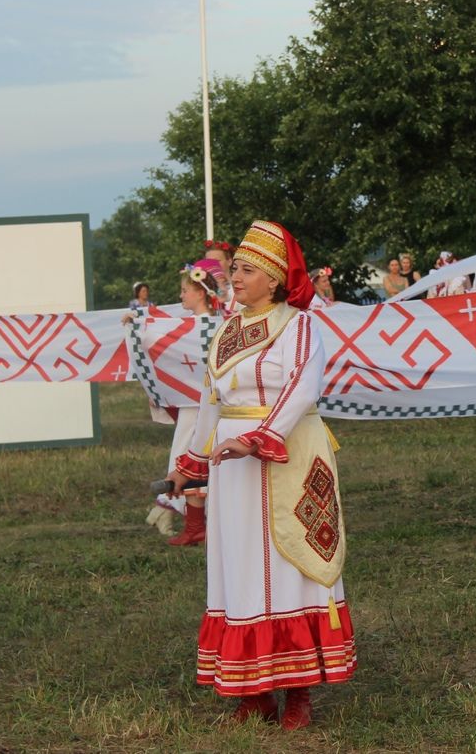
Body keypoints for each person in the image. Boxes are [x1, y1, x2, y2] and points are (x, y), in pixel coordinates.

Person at [169, 220, 355, 730]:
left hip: (289, 456)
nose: (236, 278)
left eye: (247, 270)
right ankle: (253, 692)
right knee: (241, 566)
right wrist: (190, 463)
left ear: (273, 279)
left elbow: (302, 389)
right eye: (234, 269)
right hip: (232, 469)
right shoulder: (227, 330)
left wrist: (256, 438)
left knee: (290, 565)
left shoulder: (298, 326)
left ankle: (298, 691)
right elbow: (214, 401)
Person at [134, 259, 226, 546]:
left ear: (200, 293)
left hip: (209, 406)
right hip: (191, 404)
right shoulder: (188, 328)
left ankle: (203, 522)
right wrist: (135, 326)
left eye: (185, 290)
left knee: (202, 458)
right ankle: (194, 523)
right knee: (187, 457)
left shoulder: (217, 326)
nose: (181, 295)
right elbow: (156, 338)